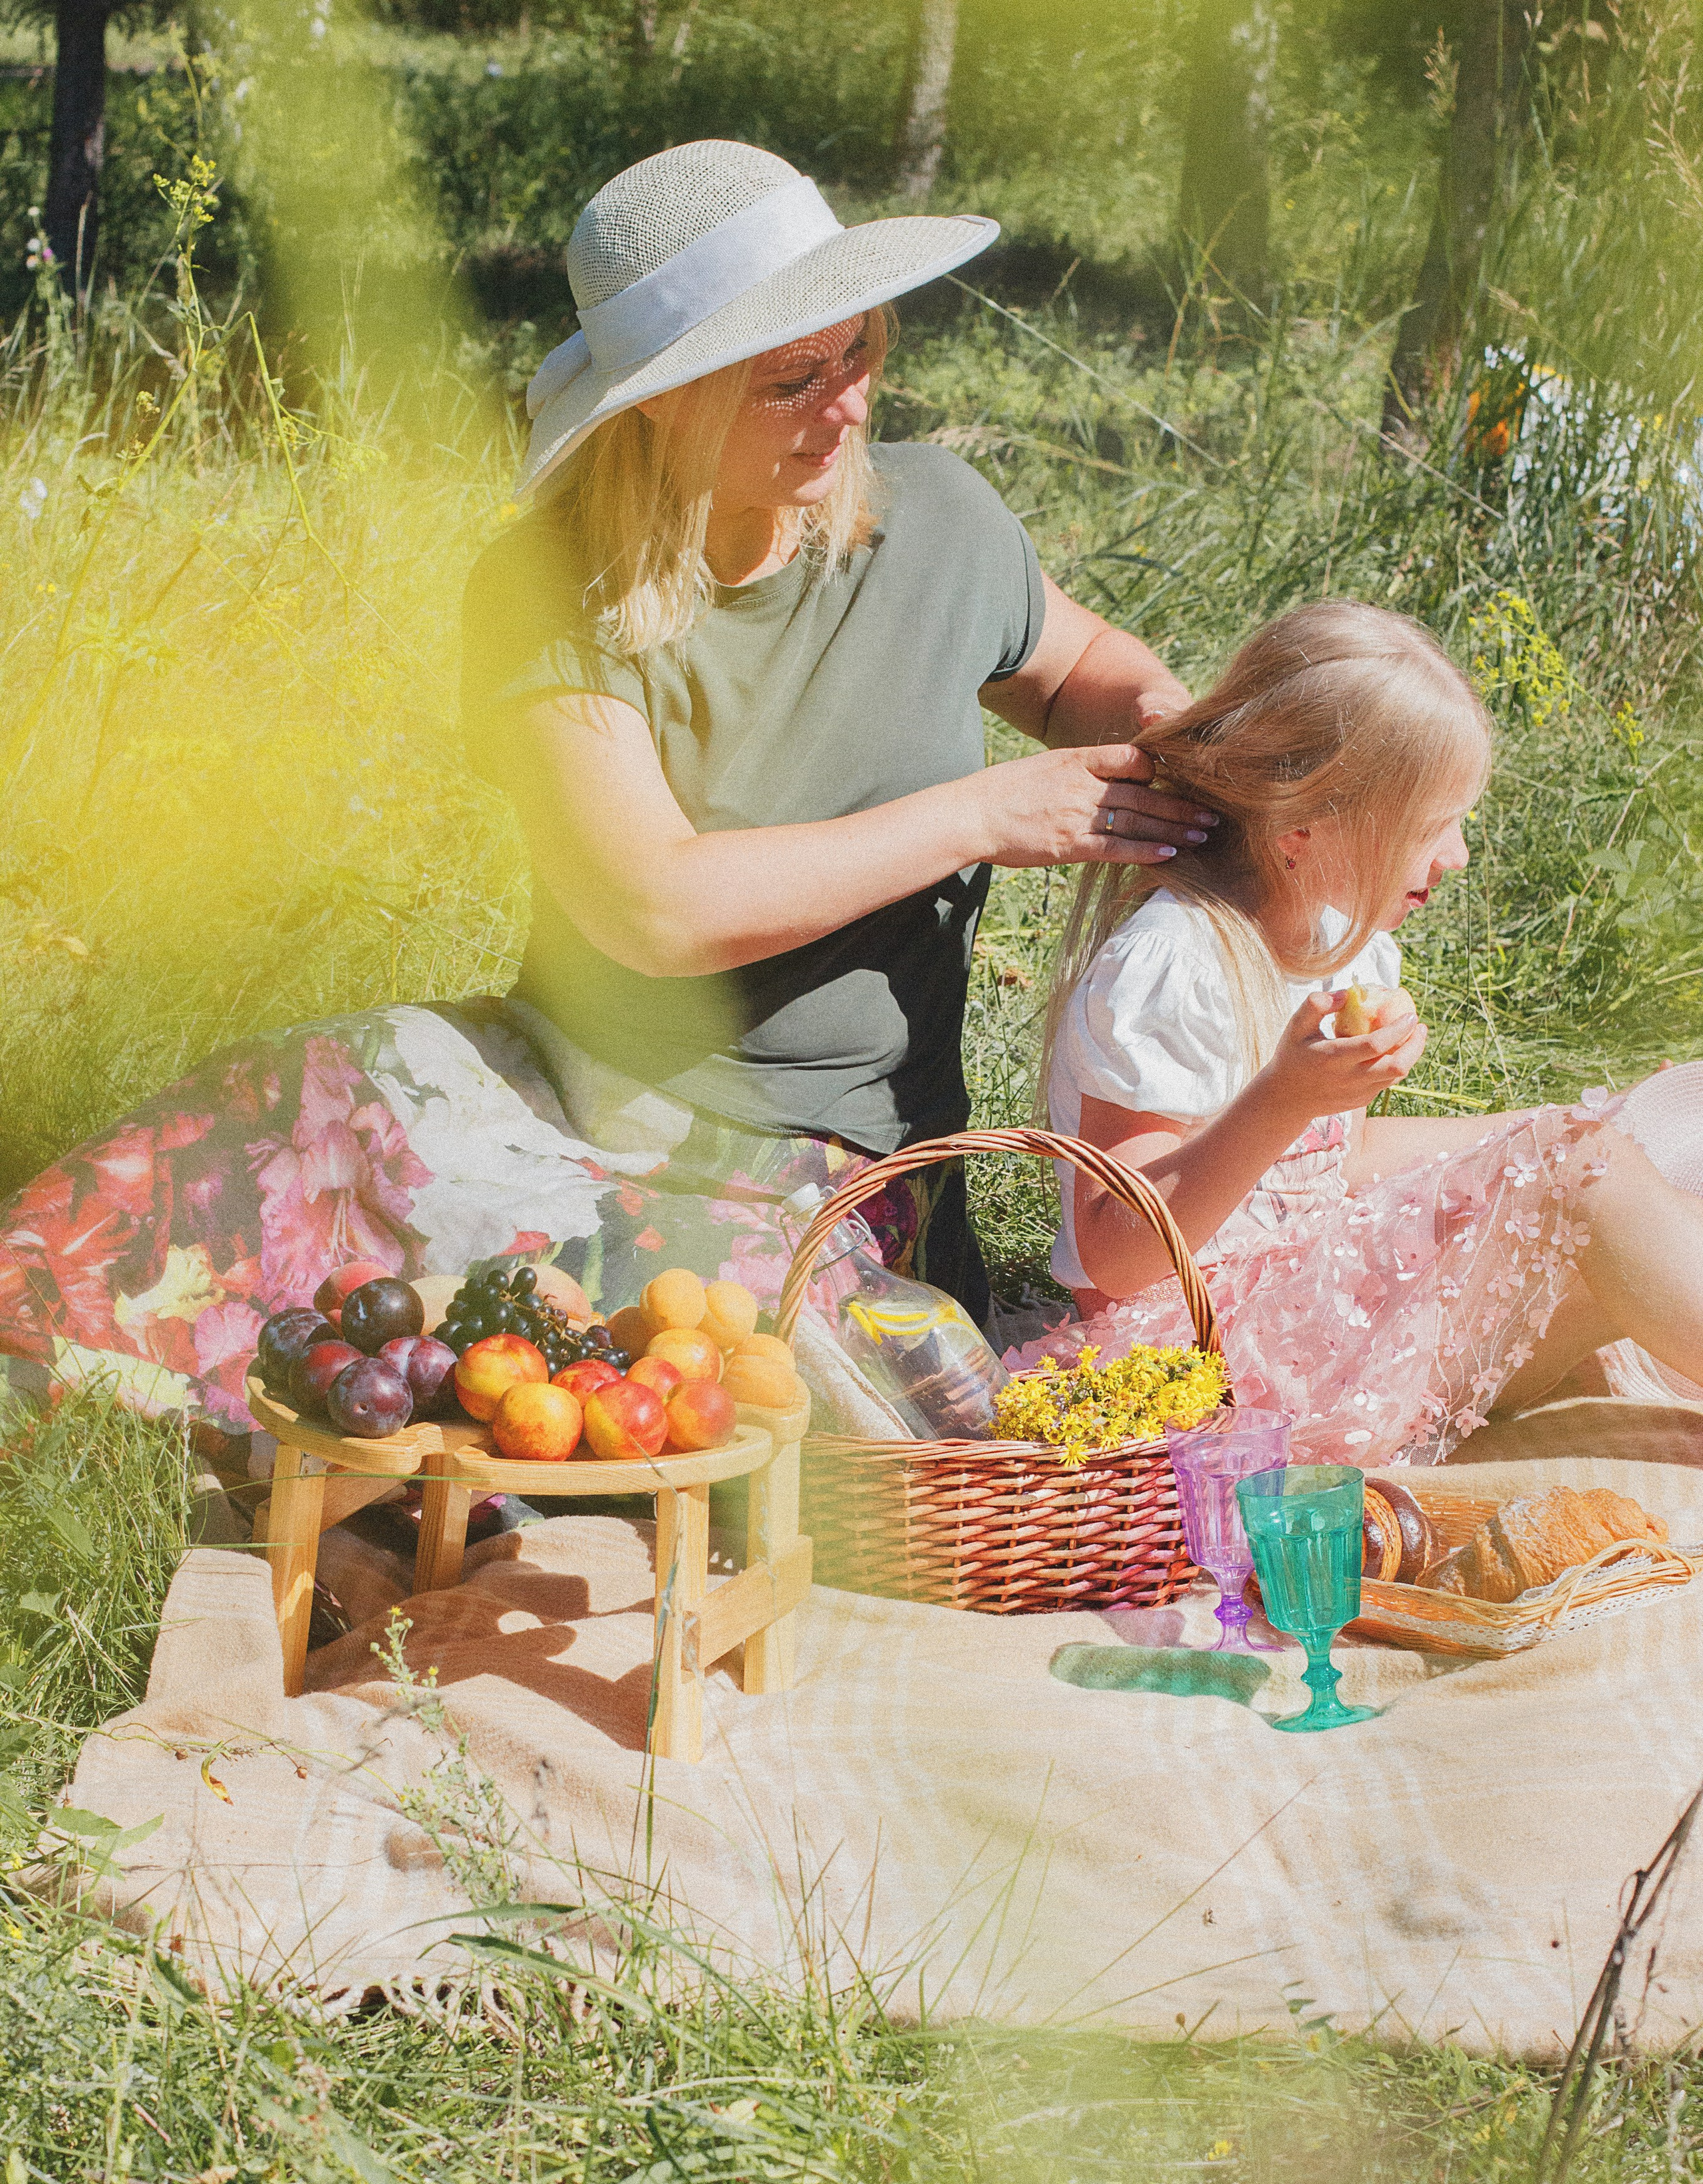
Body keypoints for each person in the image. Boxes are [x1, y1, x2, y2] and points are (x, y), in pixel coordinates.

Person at [0, 138, 1203, 1440]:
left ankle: (382, 1411)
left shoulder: (942, 523)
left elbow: (1085, 667)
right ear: (662, 402)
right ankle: (41, 1372)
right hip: (567, 1086)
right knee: (287, 1103)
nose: (847, 406)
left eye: (860, 351)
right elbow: (654, 910)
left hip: (822, 1169)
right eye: (791, 379)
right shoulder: (545, 588)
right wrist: (978, 817)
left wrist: (1178, 739)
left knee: (642, 1323)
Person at [1026, 599, 1703, 1463]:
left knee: (1622, 1183)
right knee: (1588, 1177)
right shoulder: (1175, 962)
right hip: (1211, 1375)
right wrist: (1283, 1097)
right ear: (1305, 830)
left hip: (1311, 1317)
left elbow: (1324, 1162)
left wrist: (1571, 1124)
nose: (1454, 856)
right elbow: (1117, 1253)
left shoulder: (1342, 936)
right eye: (1430, 827)